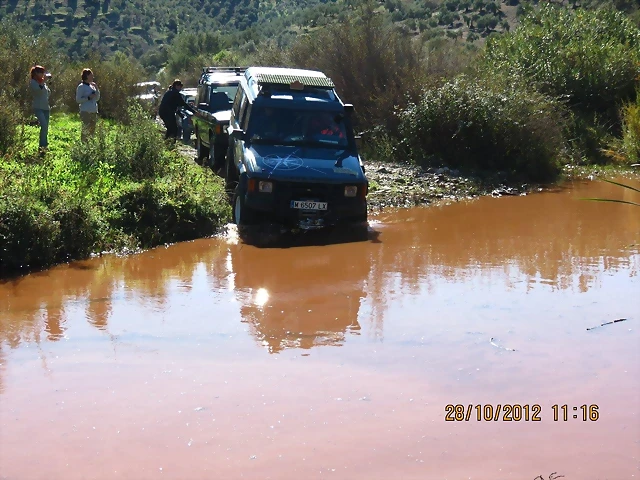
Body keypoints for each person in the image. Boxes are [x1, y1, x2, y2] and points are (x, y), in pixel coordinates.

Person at [29, 65, 51, 151]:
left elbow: (48, 92)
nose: (43, 74)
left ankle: (44, 145)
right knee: (44, 125)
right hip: (38, 107)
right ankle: (42, 146)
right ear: (36, 73)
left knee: (46, 127)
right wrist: (43, 82)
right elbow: (38, 90)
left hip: (46, 107)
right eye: (41, 72)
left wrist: (45, 82)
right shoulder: (33, 82)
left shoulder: (43, 83)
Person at [75, 68, 100, 142]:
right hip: (85, 111)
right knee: (85, 130)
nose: (93, 77)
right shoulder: (81, 87)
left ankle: (90, 147)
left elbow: (97, 98)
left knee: (92, 131)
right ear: (86, 76)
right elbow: (78, 100)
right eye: (91, 75)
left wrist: (97, 89)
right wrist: (88, 98)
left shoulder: (92, 86)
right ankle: (83, 146)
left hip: (94, 111)